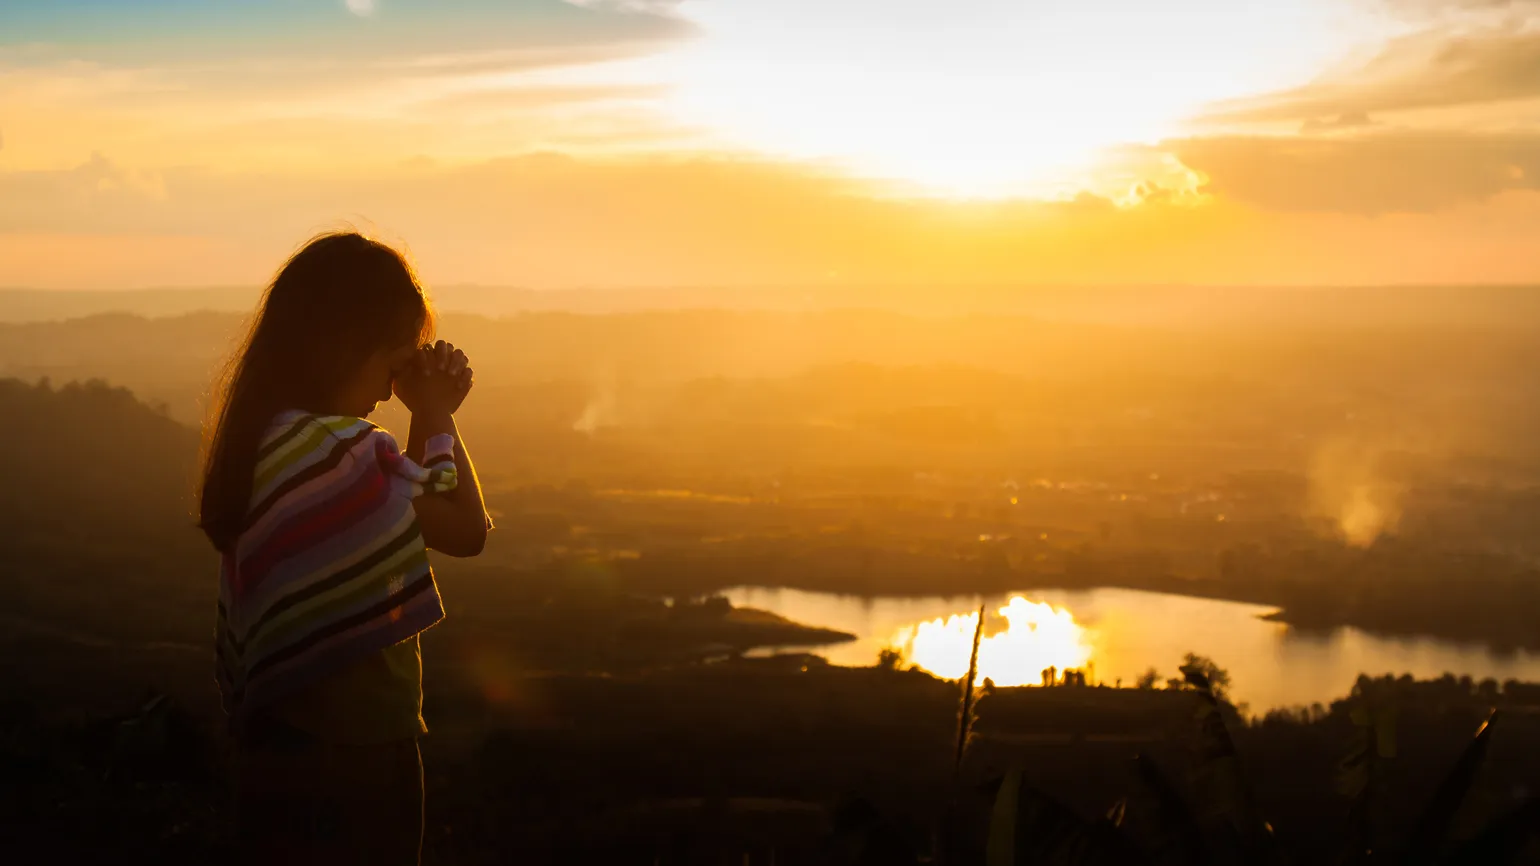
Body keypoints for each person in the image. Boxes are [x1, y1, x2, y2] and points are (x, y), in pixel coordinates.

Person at [198, 232, 491, 865]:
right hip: (361, 749)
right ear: (343, 348)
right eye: (392, 367)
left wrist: (424, 411)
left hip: (270, 748)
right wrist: (437, 414)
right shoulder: (353, 454)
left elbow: (393, 515)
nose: (391, 392)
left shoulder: (260, 445)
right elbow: (467, 530)